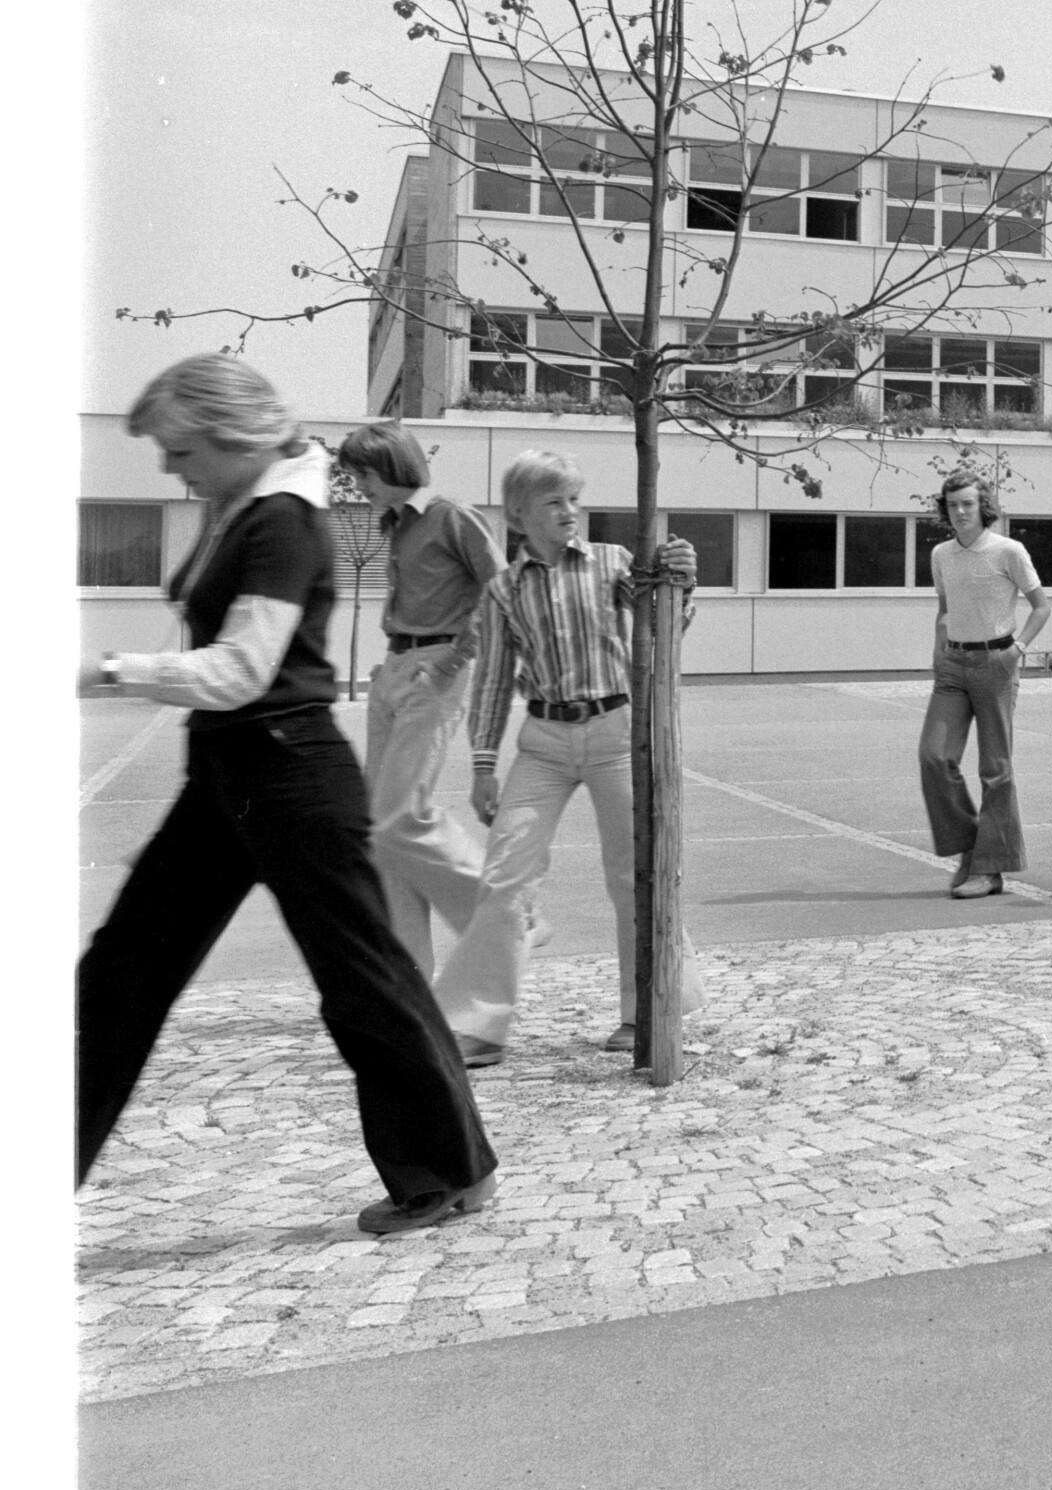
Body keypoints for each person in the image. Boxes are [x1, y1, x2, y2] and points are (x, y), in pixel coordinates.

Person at [80, 356, 500, 1235]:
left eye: (179, 447)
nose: (168, 467)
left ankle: (449, 1171)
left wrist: (105, 669)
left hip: (288, 773)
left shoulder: (284, 520)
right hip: (230, 774)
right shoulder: (244, 506)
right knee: (122, 971)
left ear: (231, 436)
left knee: (361, 978)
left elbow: (240, 669)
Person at [434, 451, 706, 1063]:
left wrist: (682, 583)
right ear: (520, 515)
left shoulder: (613, 563)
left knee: (634, 872)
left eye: (574, 500)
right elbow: (493, 680)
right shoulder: (504, 589)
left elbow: (664, 631)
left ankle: (651, 1010)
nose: (570, 513)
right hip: (546, 742)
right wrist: (482, 764)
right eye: (555, 502)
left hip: (617, 731)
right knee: (505, 872)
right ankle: (478, 1025)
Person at [333, 421, 503, 976]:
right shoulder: (394, 524)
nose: (356, 484)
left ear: (393, 464)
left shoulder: (451, 516)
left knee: (398, 816)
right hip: (396, 667)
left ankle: (504, 914)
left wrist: (454, 658)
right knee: (382, 831)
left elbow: (501, 592)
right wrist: (391, 667)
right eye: (350, 474)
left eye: (363, 472)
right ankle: (411, 972)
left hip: (437, 667)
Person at [920, 471, 1050, 897]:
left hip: (996, 662)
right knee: (935, 757)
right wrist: (940, 651)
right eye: (953, 504)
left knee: (996, 771)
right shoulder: (942, 554)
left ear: (983, 506)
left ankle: (990, 869)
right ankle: (971, 847)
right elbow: (944, 608)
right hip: (953, 665)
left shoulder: (1008, 551)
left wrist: (1018, 650)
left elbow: (1041, 607)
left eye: (967, 504)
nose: (959, 512)